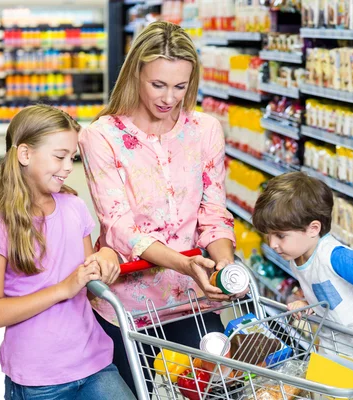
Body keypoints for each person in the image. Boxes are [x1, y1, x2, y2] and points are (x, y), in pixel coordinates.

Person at [78, 21, 236, 395]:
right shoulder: (101, 136)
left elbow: (213, 212)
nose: (169, 98)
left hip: (193, 299)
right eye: (158, 84)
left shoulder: (205, 130)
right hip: (129, 307)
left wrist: (225, 266)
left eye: (180, 86)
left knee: (217, 390)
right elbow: (119, 226)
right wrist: (186, 263)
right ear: (137, 73)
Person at [0, 105, 135, 399]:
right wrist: (63, 289)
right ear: (25, 154)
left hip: (94, 362)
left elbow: (90, 284)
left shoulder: (75, 207)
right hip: (38, 378)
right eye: (59, 156)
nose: (69, 167)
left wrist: (107, 258)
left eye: (72, 158)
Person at [252, 172, 353, 353]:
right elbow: (330, 295)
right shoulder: (298, 257)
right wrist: (309, 304)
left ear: (313, 229)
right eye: (269, 235)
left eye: (280, 236)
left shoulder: (334, 257)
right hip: (335, 350)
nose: (272, 244)